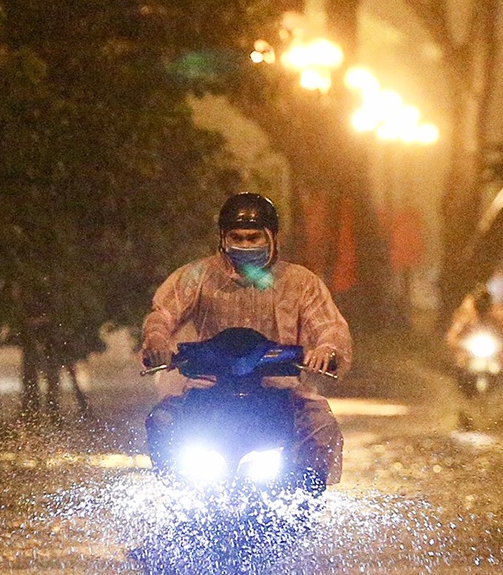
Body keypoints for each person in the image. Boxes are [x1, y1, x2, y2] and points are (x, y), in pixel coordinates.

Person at [141, 193, 352, 483]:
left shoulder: (301, 282)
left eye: (253, 238)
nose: (245, 245)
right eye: (236, 237)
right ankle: (176, 496)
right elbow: (163, 313)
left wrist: (328, 349)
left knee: (321, 428)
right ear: (222, 239)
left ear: (272, 238)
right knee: (161, 422)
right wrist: (156, 340)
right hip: (207, 389)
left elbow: (330, 326)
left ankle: (303, 505)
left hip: (282, 393)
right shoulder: (197, 276)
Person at [444, 287, 503, 369]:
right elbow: (452, 335)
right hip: (470, 347)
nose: (482, 308)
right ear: (474, 304)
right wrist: (460, 343)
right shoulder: (466, 313)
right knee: (460, 361)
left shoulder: (499, 311)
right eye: (479, 305)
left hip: (496, 345)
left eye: (485, 305)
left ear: (490, 304)